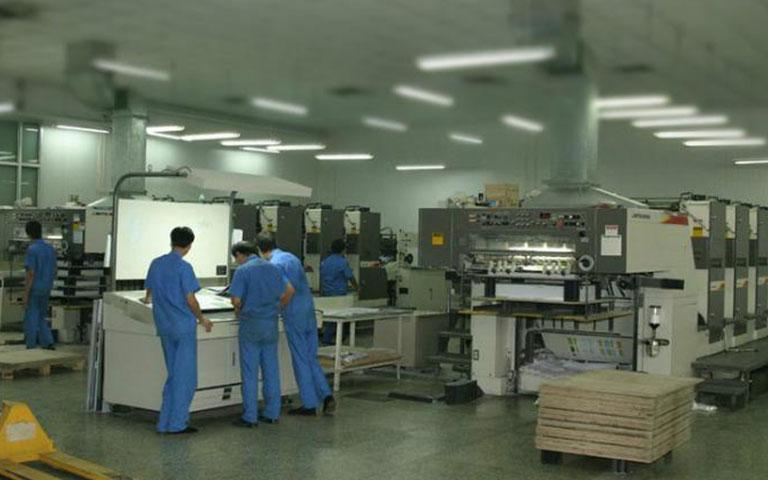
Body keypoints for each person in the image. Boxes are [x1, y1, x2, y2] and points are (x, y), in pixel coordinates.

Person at [144, 227, 213, 435]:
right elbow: (190, 299)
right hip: (183, 328)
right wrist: (202, 318)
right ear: (189, 245)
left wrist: (149, 299)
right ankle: (177, 424)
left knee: (174, 375)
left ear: (171, 241)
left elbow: (149, 293)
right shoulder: (184, 267)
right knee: (185, 378)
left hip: (164, 326)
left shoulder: (156, 263)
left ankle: (164, 422)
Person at [257, 236, 336, 417]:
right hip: (308, 312)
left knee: (301, 359)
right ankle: (326, 395)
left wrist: (276, 308)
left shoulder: (274, 264)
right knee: (311, 357)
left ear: (260, 250)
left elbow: (287, 290)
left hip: (294, 315)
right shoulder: (291, 257)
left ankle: (309, 404)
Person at [229, 241, 293, 427]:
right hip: (270, 324)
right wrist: (275, 308)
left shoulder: (242, 271)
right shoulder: (273, 268)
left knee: (250, 372)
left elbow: (236, 300)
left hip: (251, 325)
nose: (237, 262)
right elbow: (286, 292)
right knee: (271, 370)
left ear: (240, 254)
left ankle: (250, 417)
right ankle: (272, 413)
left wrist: (238, 310)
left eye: (236, 258)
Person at [22, 221, 57, 350]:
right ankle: (48, 342)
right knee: (41, 316)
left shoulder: (32, 249)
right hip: (47, 287)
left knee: (31, 316)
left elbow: (30, 273)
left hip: (35, 288)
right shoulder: (50, 249)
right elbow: (54, 270)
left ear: (28, 233)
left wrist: (25, 294)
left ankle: (31, 344)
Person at [319, 239, 358, 345]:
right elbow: (350, 276)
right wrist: (357, 287)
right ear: (343, 250)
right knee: (341, 317)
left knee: (329, 317)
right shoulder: (342, 262)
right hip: (339, 294)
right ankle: (336, 339)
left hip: (327, 293)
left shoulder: (325, 261)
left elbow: (322, 277)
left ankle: (327, 338)